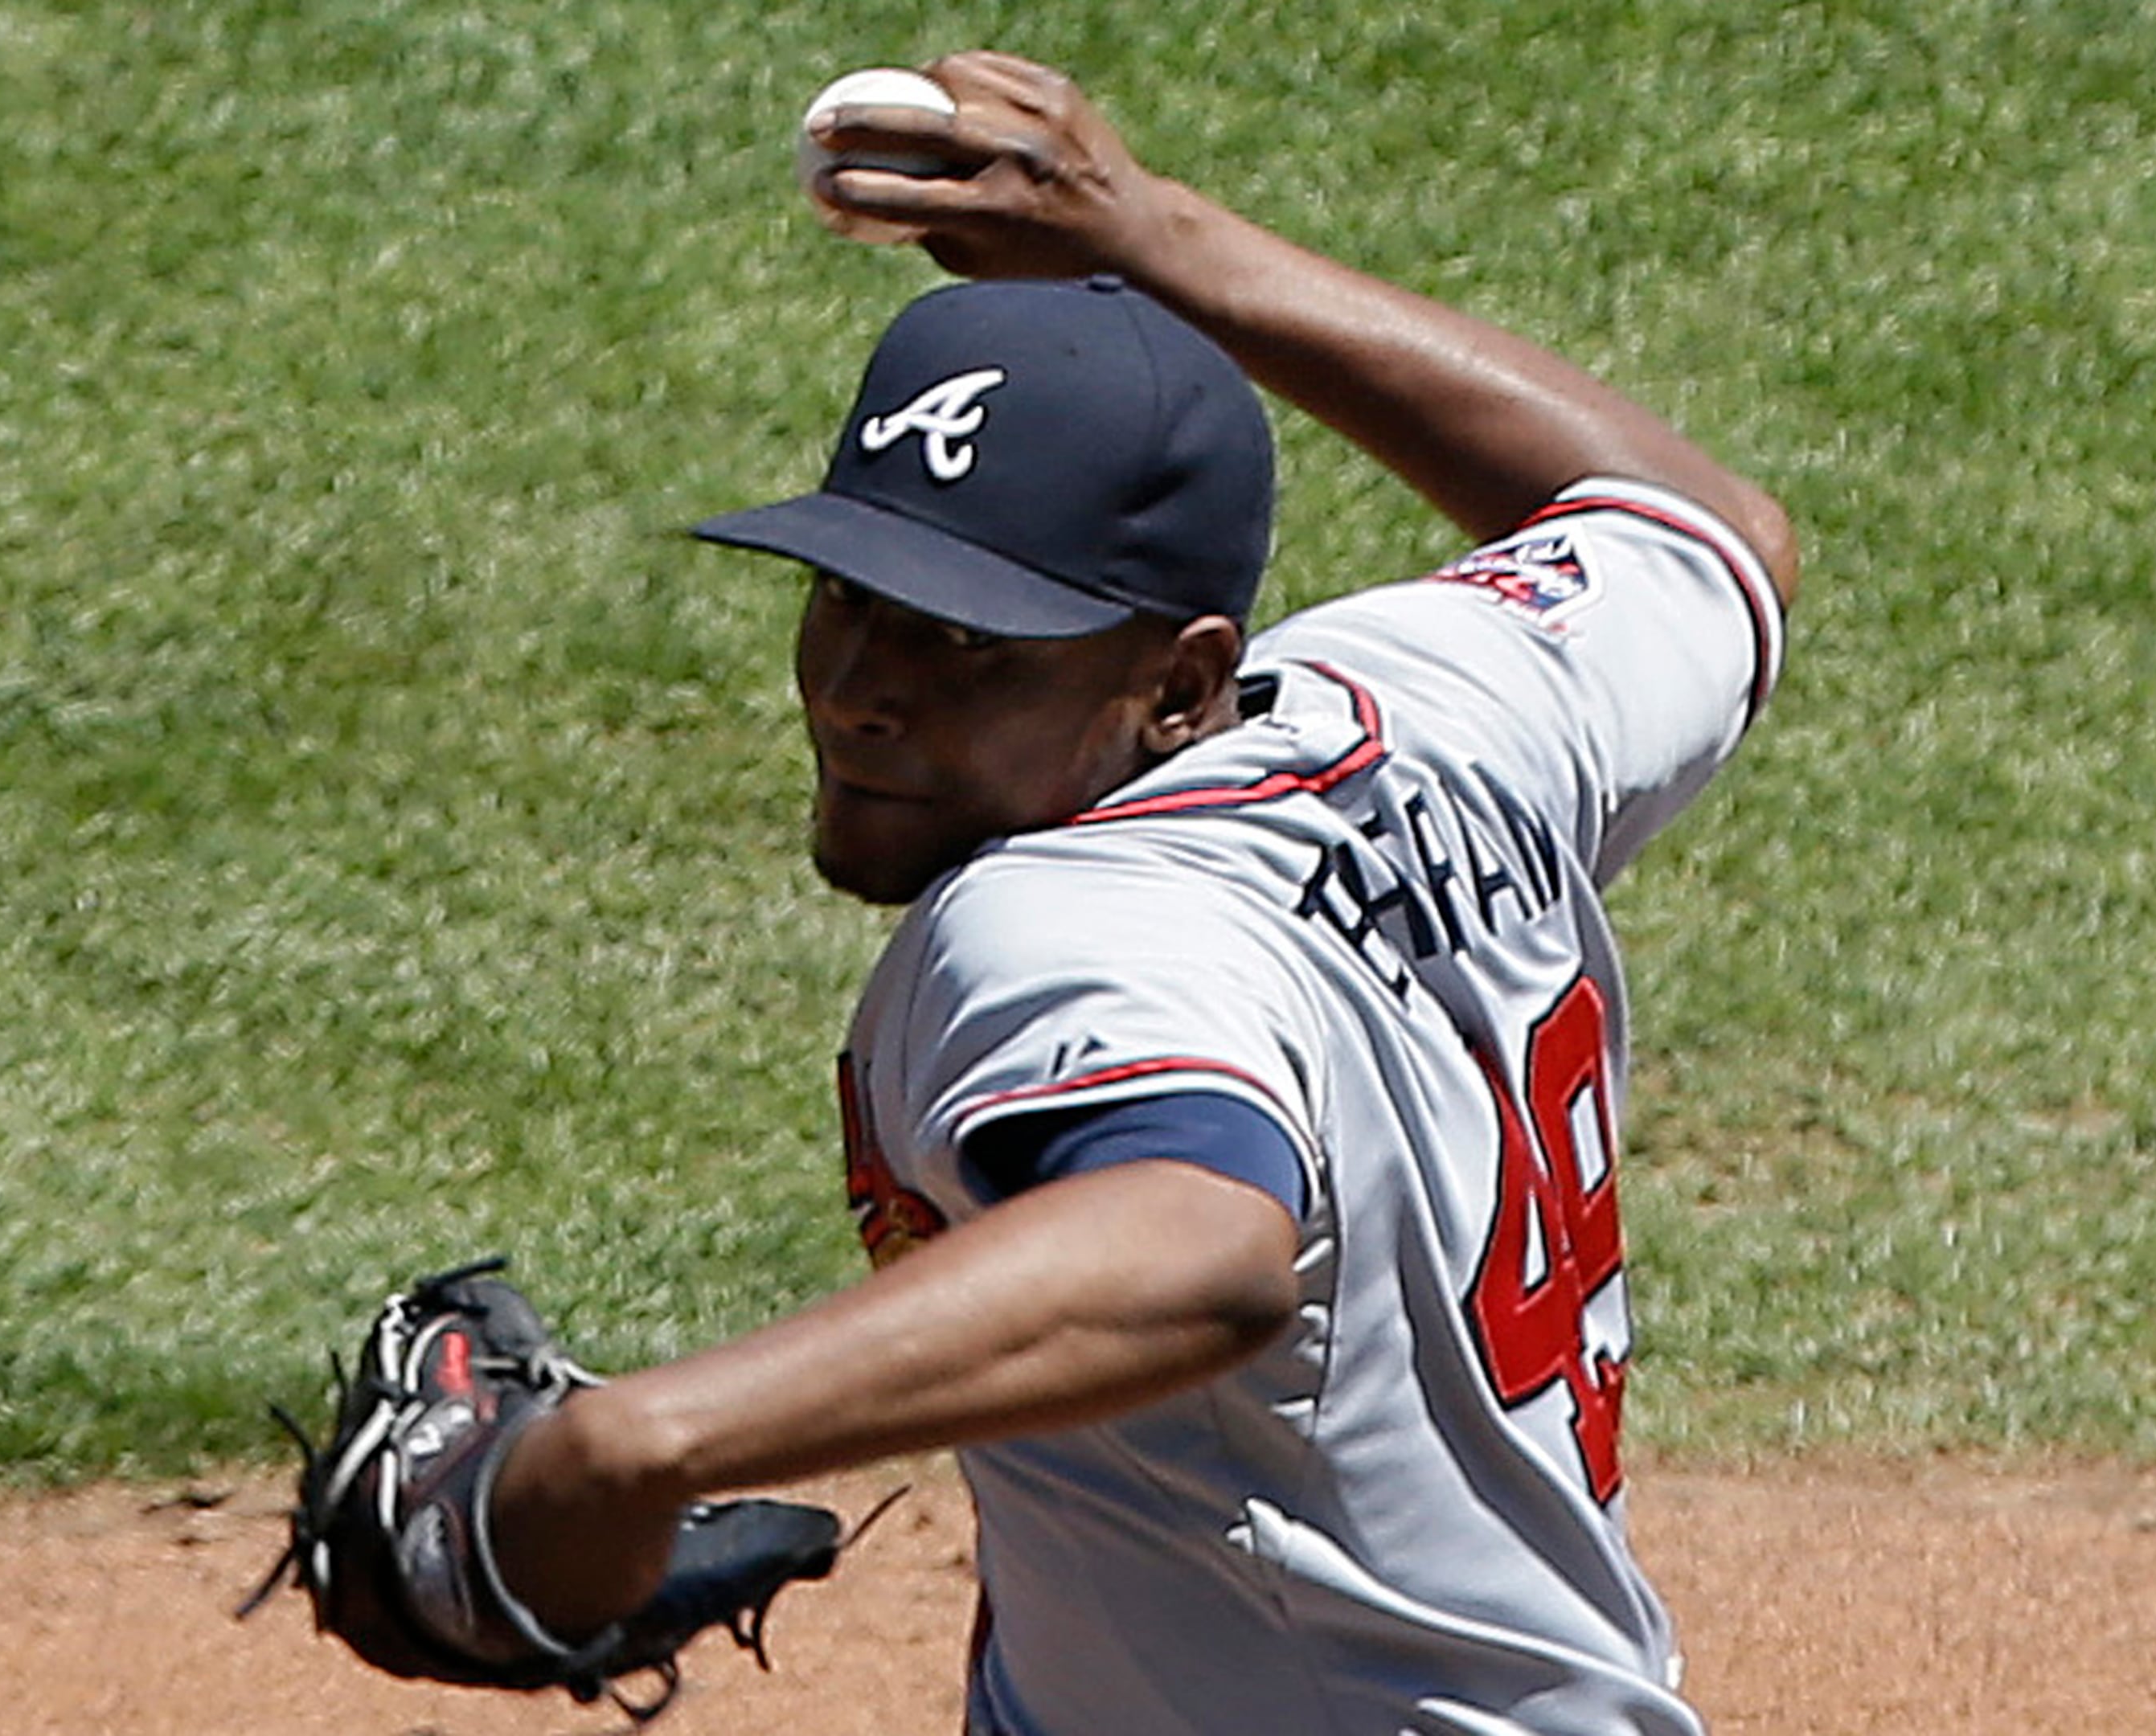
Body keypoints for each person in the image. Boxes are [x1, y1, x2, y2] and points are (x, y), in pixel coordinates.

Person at [490, 49, 1797, 1735]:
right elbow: (1699, 528)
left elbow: (1198, 1247)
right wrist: (1146, 231)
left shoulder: (1055, 928)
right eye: (850, 594)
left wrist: (626, 1448)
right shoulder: (1427, 708)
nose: (862, 688)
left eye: (972, 638)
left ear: (1179, 687)